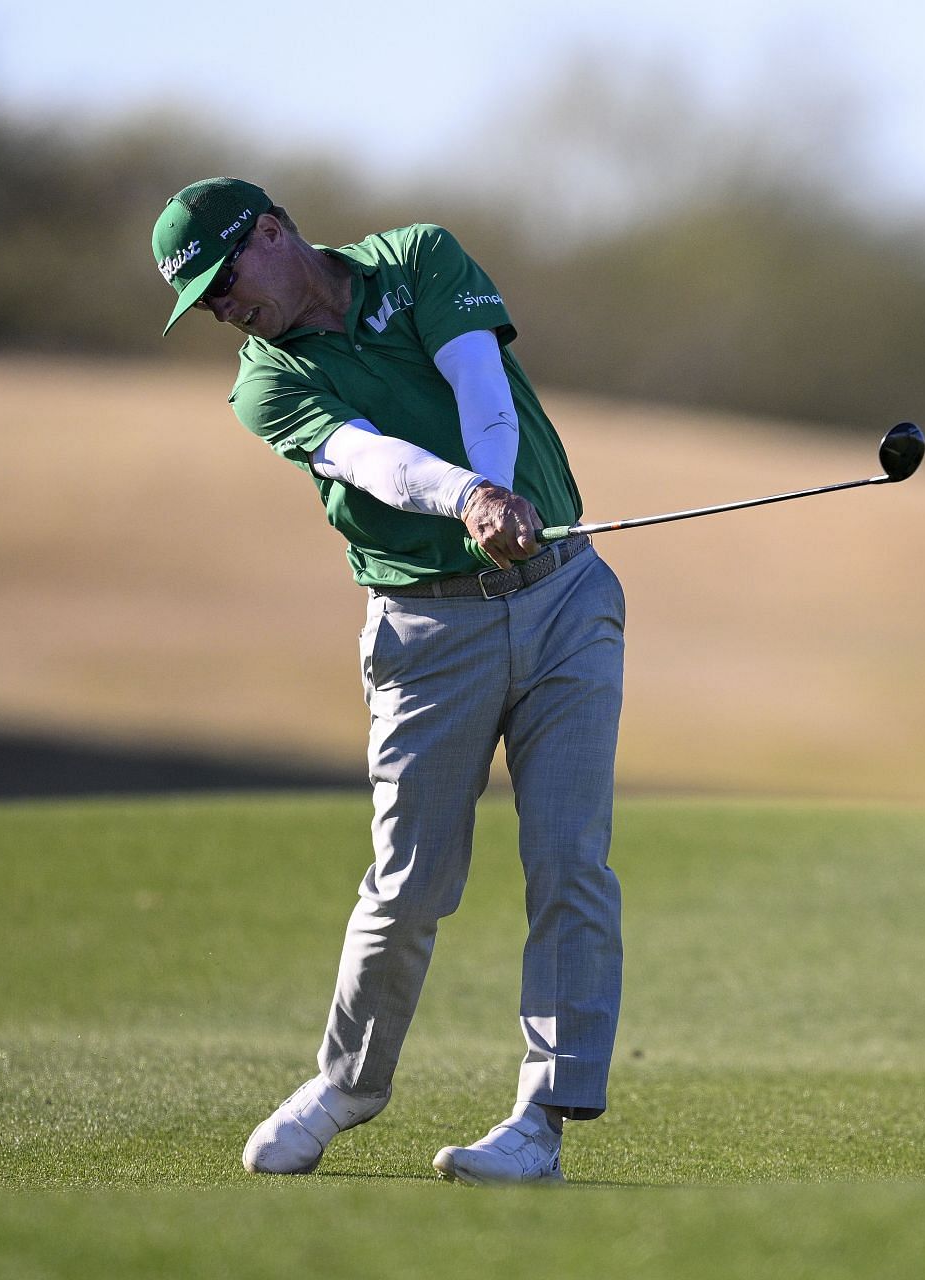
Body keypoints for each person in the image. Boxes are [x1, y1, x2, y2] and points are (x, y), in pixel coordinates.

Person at [152, 177, 626, 1186]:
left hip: (565, 598)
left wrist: (494, 487)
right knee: (408, 883)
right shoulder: (264, 381)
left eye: (223, 283)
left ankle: (542, 1118)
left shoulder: (417, 259)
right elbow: (369, 461)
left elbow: (479, 387)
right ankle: (350, 1083)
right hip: (425, 630)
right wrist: (468, 498)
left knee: (569, 857)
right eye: (204, 307)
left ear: (272, 233)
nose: (222, 313)